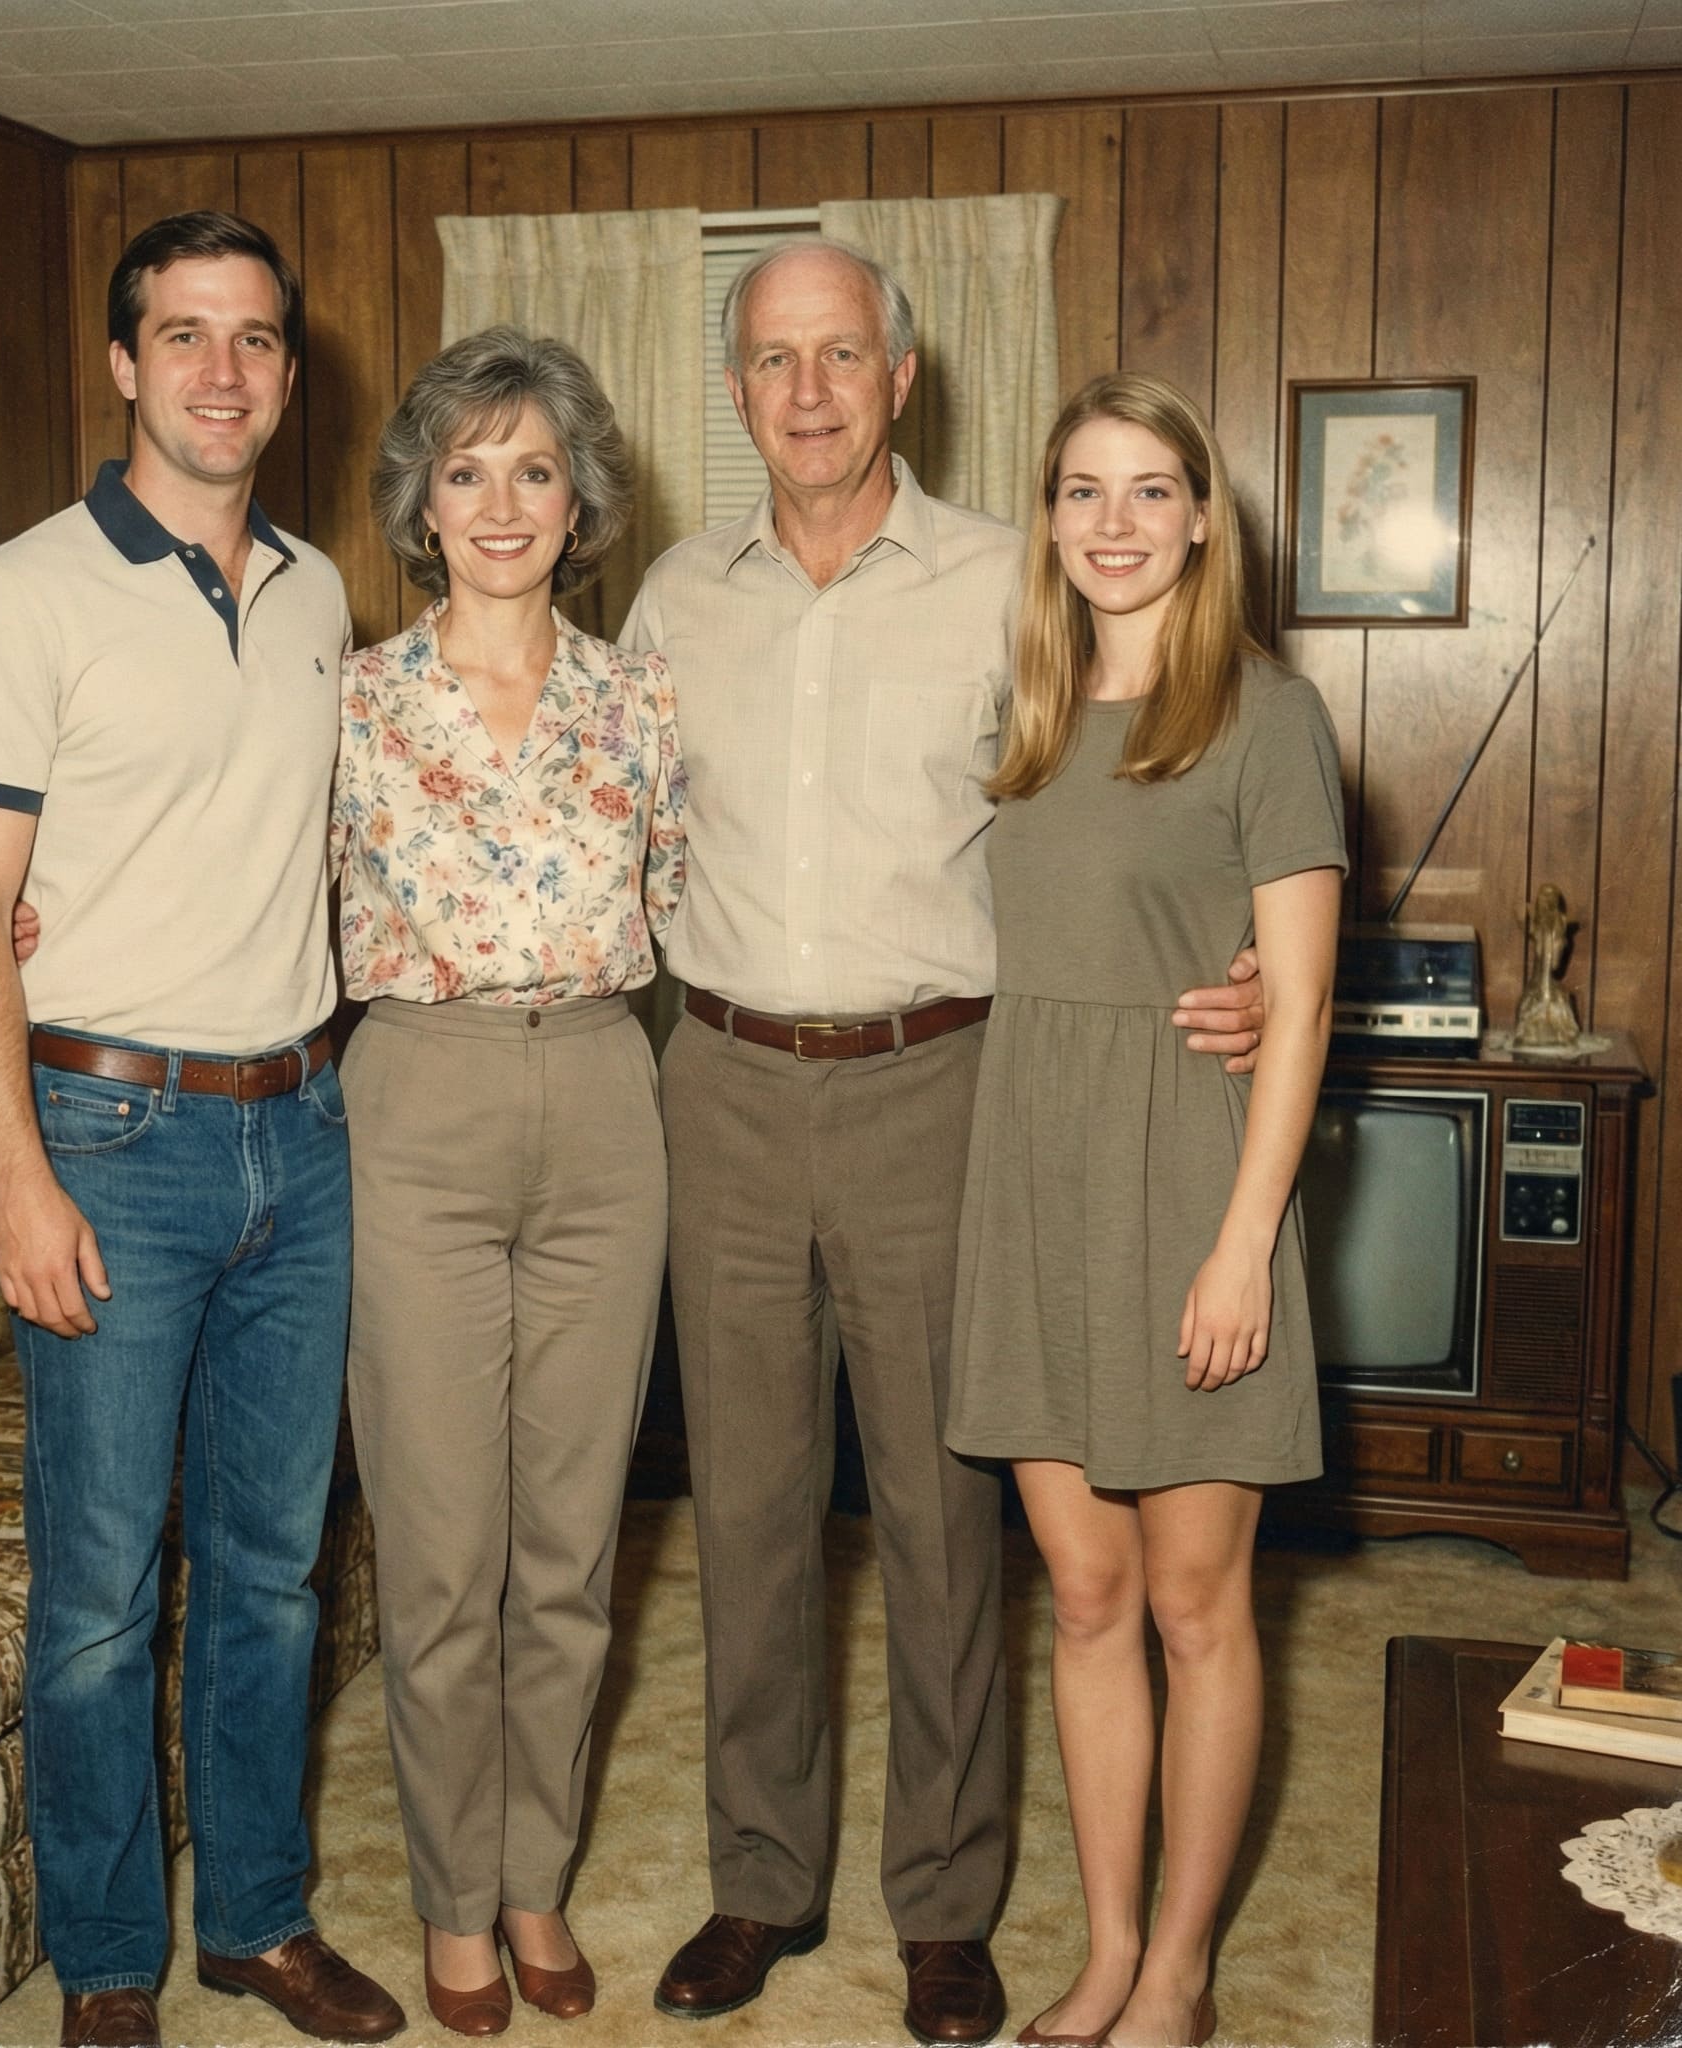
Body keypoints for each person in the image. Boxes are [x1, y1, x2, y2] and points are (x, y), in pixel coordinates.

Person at [619, 239, 1265, 2048]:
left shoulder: (1014, 578)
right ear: (734, 392)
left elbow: (1171, 780)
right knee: (747, 1511)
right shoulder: (673, 596)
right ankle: (762, 1878)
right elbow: (581, 815)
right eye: (773, 360)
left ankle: (947, 1906)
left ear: (903, 377)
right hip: (722, 1082)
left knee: (942, 1516)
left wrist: (1254, 971)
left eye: (843, 355)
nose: (808, 391)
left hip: (943, 1088)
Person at [0, 211, 403, 2048]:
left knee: (274, 1574)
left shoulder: (319, 595)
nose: (222, 370)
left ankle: (258, 1921)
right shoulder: (20, 596)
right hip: (110, 1140)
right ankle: (111, 1963)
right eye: (184, 335)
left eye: (254, 338)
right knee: (102, 1597)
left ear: (288, 372)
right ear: (123, 364)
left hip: (303, 1130)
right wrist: (17, 1181)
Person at [946, 372, 1344, 2048]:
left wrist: (1244, 1242)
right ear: (1049, 520)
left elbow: (1298, 1005)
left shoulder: (1266, 714)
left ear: (1200, 521)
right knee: (1088, 1597)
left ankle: (1179, 1972)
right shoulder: (1028, 713)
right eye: (1082, 491)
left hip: (1191, 1179)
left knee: (1194, 1601)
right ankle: (1108, 1949)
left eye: (1150, 490)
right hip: (1035, 1176)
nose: (1114, 523)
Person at [333, 326, 686, 2036]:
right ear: (421, 503)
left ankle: (535, 1874)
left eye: (533, 470)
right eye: (465, 471)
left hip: (608, 1098)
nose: (498, 503)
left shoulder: (640, 698)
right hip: (419, 1101)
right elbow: (231, 874)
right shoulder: (352, 700)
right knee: (442, 1549)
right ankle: (451, 1901)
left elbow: (707, 900)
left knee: (568, 1544)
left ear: (579, 502)